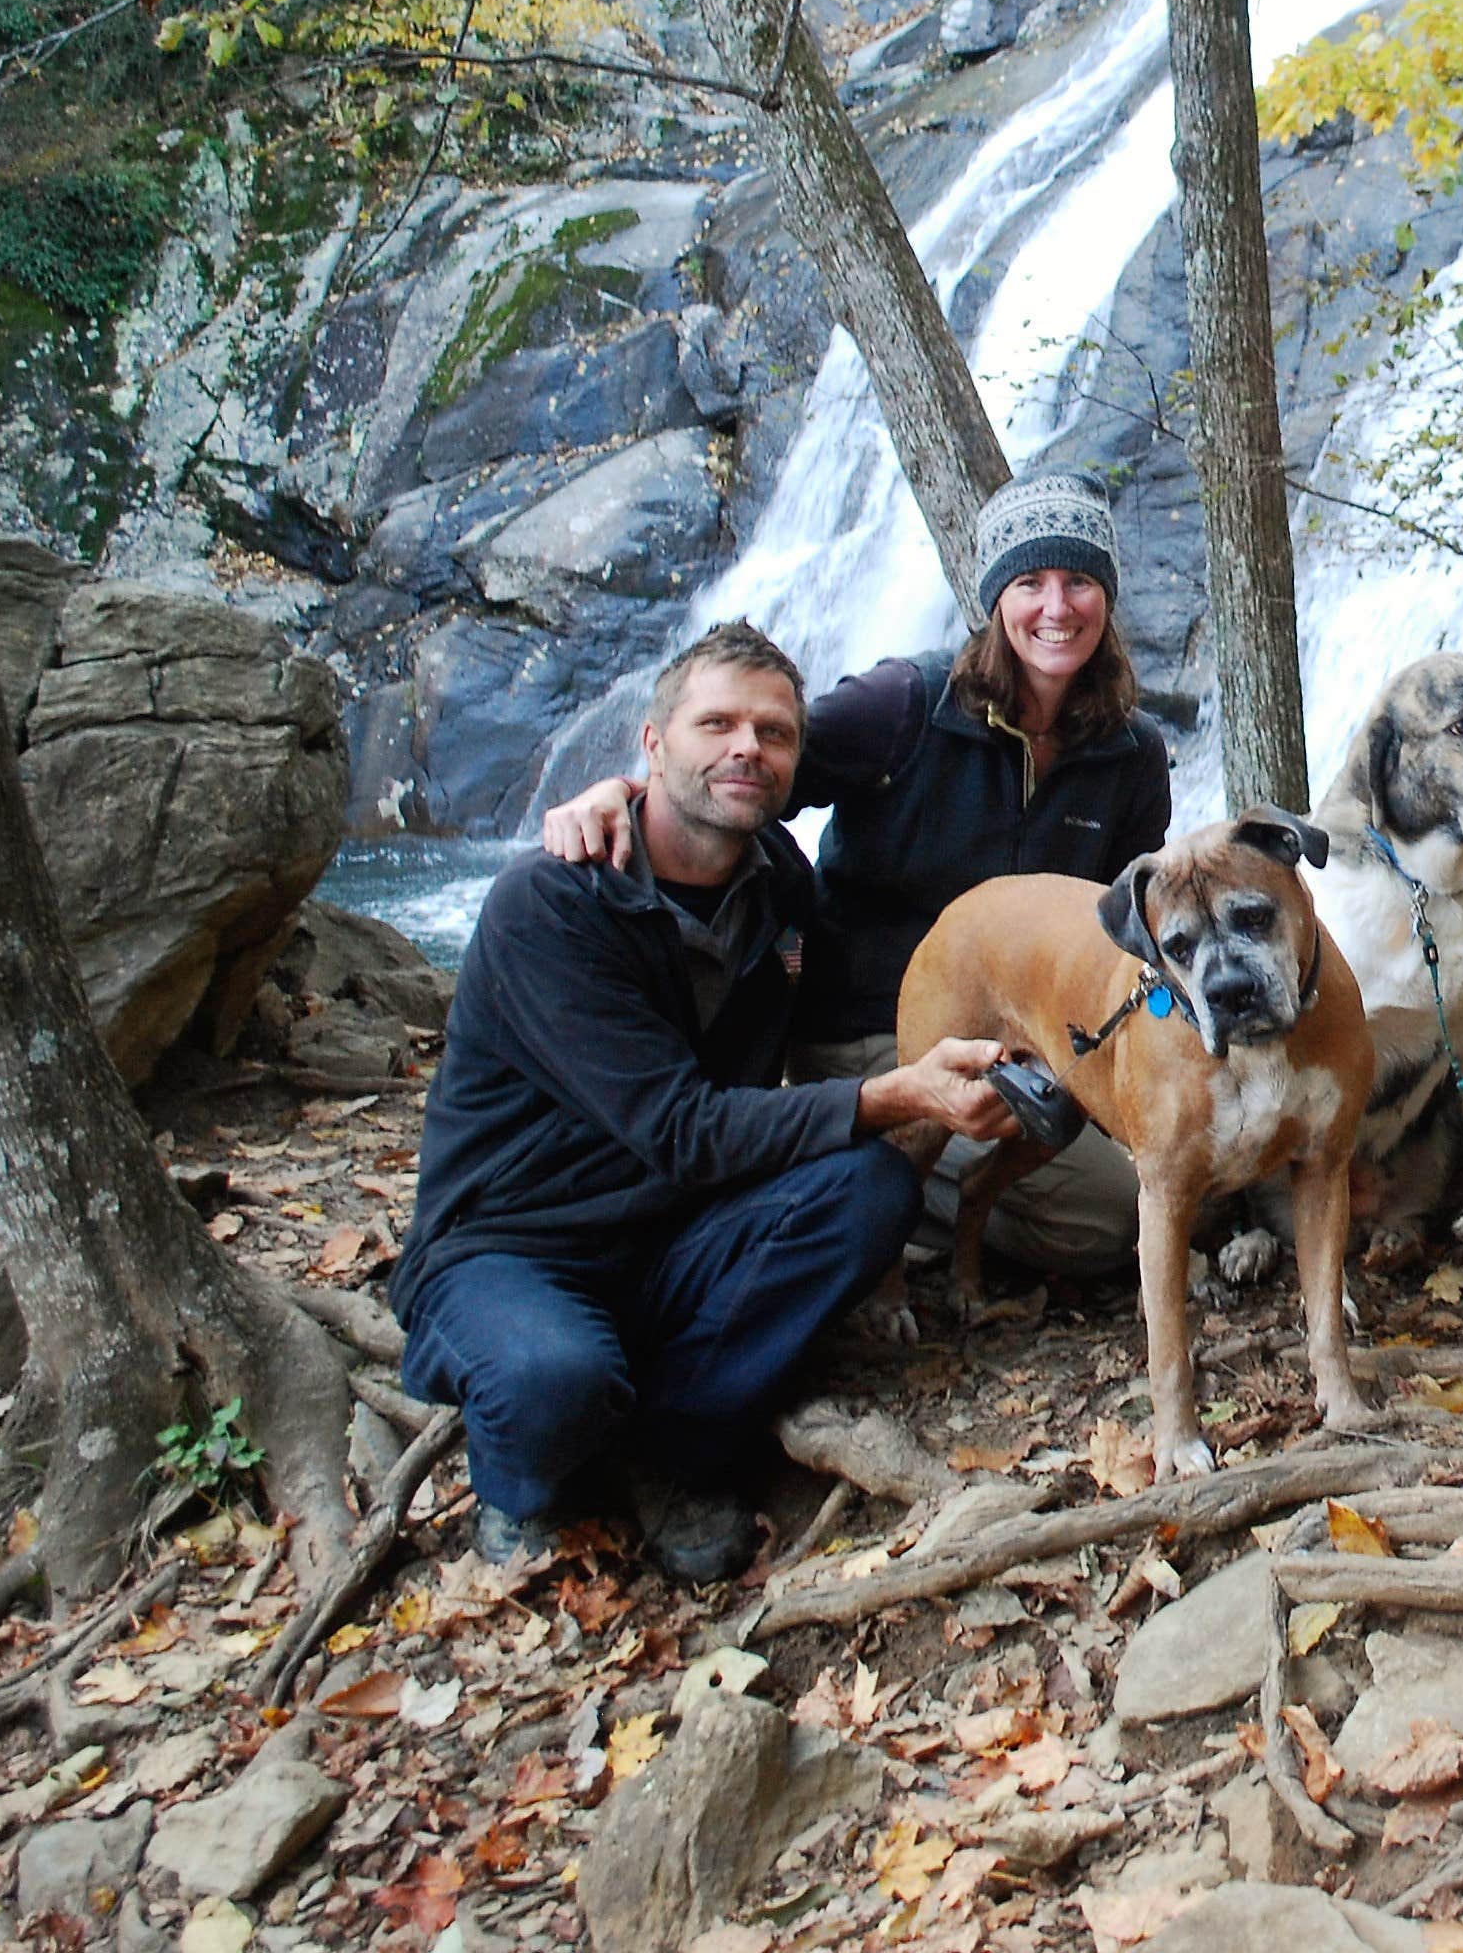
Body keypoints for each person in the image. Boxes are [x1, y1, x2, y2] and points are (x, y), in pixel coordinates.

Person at [392, 619, 1020, 1579]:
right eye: (715, 725)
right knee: (553, 1383)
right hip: (513, 1247)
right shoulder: (553, 902)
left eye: (774, 734)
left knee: (870, 1193)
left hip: (673, 1237)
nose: (747, 749)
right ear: (651, 745)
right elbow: (680, 1129)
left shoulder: (779, 888)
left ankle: (670, 1448)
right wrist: (899, 1094)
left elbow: (867, 973)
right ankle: (526, 1480)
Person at [544, 470, 1172, 1274]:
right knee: (1107, 1214)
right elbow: (746, 777)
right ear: (994, 599)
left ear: (1106, 596)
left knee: (1110, 1220)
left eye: (1079, 580)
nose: (1057, 607)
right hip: (871, 1029)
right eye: (1030, 582)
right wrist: (624, 791)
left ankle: (876, 1186)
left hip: (1035, 1038)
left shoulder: (1130, 751)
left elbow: (1124, 920)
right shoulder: (906, 705)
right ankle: (857, 1177)